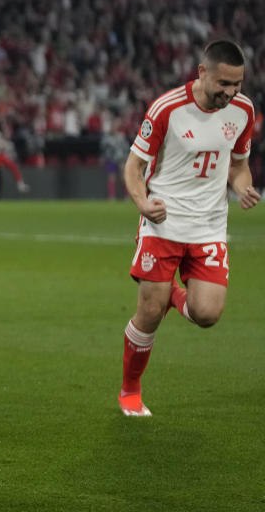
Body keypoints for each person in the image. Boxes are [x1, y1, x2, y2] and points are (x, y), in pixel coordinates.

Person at [119, 40, 259, 417]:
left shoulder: (244, 111)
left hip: (209, 227)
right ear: (202, 73)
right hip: (163, 224)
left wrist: (243, 187)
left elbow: (239, 165)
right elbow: (133, 167)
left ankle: (172, 295)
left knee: (207, 314)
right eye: (224, 83)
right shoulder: (168, 108)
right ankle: (130, 390)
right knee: (148, 313)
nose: (230, 93)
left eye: (237, 84)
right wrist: (142, 203)